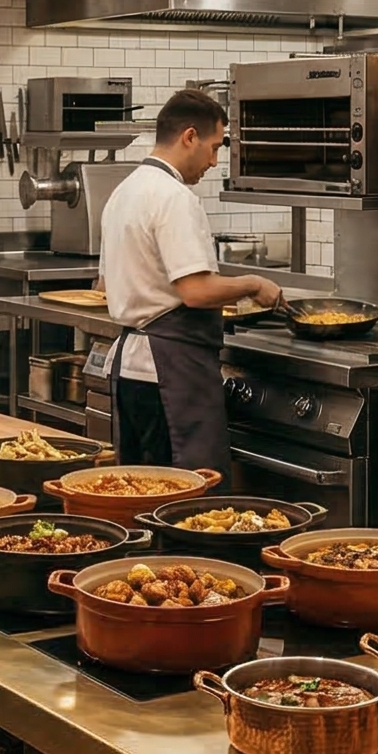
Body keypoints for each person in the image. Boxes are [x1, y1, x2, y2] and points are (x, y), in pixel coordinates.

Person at [99, 88, 283, 473]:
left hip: (131, 371)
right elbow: (197, 292)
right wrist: (253, 284)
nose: (215, 161)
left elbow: (103, 284)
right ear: (189, 137)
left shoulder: (124, 191)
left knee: (140, 493)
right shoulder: (174, 197)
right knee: (186, 499)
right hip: (169, 375)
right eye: (214, 147)